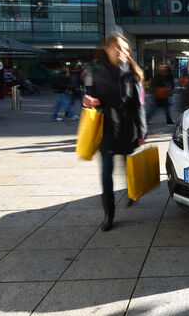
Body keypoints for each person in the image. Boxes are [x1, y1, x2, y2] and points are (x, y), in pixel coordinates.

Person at [82, 34, 147, 232]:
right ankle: (109, 214)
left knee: (128, 166)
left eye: (126, 49)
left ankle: (131, 192)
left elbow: (138, 105)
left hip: (128, 129)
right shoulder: (96, 71)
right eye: (118, 47)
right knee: (106, 173)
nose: (122, 52)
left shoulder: (132, 73)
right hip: (107, 128)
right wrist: (88, 101)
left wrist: (142, 131)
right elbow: (88, 98)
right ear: (108, 49)